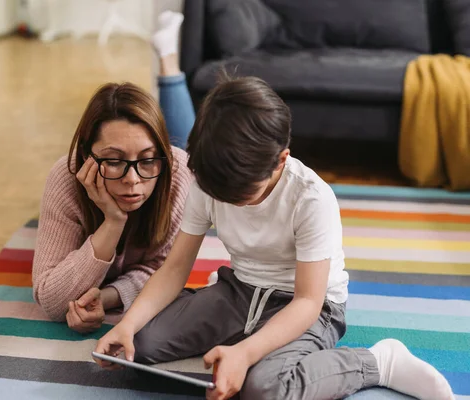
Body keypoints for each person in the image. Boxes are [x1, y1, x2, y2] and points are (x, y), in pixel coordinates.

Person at [93, 11, 456, 400]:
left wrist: (245, 353)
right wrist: (127, 325)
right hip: (240, 291)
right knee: (139, 348)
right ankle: (233, 332)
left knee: (265, 389)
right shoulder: (209, 178)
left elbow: (307, 300)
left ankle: (379, 361)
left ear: (280, 161)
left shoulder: (311, 198)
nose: (229, 201)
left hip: (310, 308)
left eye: (241, 194)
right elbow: (176, 267)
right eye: (220, 193)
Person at [31, 29, 195, 331]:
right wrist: (113, 222)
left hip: (182, 159)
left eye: (147, 160)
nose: (133, 180)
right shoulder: (65, 177)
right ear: (86, 156)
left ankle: (168, 58)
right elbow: (52, 300)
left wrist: (106, 297)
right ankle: (168, 57)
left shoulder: (177, 172)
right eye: (115, 161)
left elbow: (165, 270)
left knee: (191, 144)